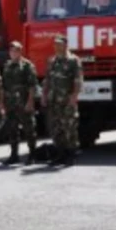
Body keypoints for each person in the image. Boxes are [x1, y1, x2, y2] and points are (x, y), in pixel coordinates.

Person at [42, 34, 82, 167]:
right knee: (56, 127)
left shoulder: (73, 60)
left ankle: (72, 154)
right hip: (54, 100)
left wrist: (74, 96)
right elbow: (47, 79)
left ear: (65, 45)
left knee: (69, 126)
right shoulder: (52, 60)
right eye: (55, 44)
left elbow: (78, 80)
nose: (57, 46)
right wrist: (44, 95)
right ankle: (60, 154)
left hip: (67, 99)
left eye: (59, 44)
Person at [1, 41, 38, 166]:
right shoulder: (7, 66)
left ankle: (32, 154)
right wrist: (2, 103)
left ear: (20, 52)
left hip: (24, 102)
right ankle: (14, 155)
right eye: (11, 50)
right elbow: (3, 86)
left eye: (16, 50)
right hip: (10, 103)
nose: (13, 53)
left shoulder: (27, 66)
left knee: (29, 129)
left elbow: (33, 86)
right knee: (12, 129)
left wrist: (30, 102)